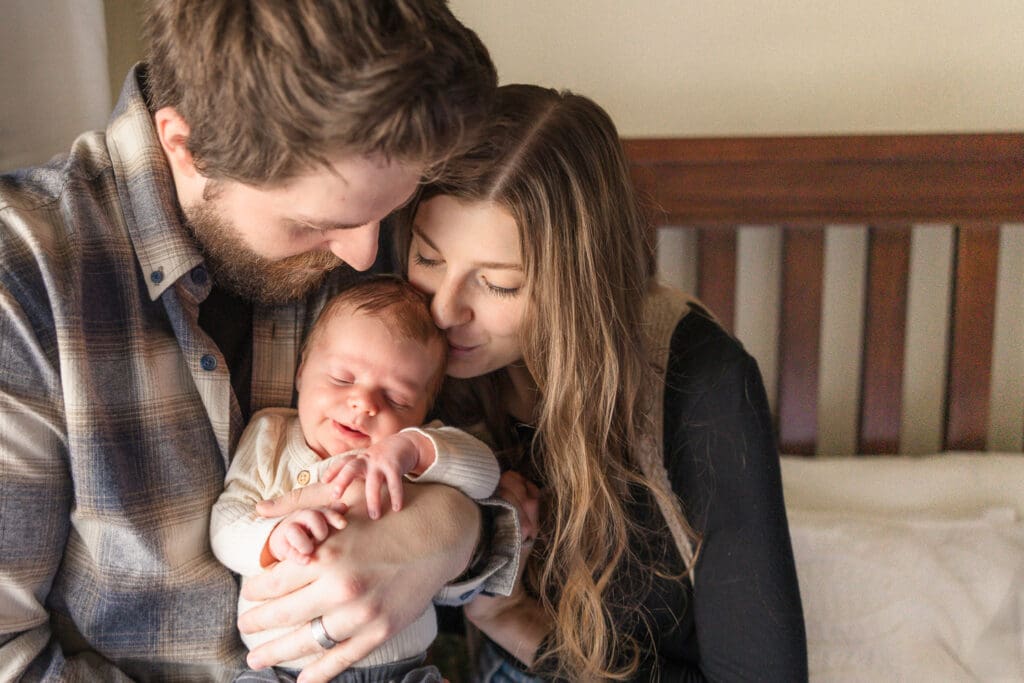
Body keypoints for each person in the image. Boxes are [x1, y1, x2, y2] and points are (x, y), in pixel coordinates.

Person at [0, 3, 520, 681]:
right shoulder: (26, 280)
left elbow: (484, 477)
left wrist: (448, 532)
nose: (367, 255)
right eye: (314, 224)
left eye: (387, 214)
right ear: (183, 145)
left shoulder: (386, 214)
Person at [392, 84, 809, 680]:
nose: (442, 310)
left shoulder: (702, 386)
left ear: (575, 286)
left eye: (500, 285)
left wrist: (514, 619)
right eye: (429, 258)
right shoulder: (399, 344)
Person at [211, 276, 501, 683]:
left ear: (421, 412)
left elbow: (486, 475)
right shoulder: (271, 436)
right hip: (282, 671)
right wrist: (273, 536)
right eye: (343, 379)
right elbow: (226, 523)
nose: (363, 403)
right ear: (301, 373)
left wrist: (414, 449)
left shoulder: (412, 452)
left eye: (397, 399)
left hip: (403, 670)